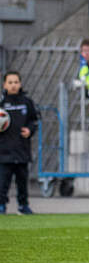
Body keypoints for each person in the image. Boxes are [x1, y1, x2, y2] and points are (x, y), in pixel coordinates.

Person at [0, 70, 39, 215]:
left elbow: (34, 121)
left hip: (22, 149)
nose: (13, 85)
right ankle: (1, 205)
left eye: (16, 82)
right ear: (5, 84)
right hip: (4, 151)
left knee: (22, 181)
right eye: (10, 82)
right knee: (3, 182)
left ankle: (23, 205)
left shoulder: (26, 102)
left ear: (20, 84)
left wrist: (30, 130)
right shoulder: (2, 103)